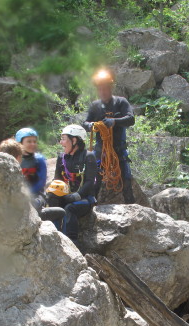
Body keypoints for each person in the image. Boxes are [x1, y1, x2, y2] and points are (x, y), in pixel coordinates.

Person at [83, 68, 136, 204]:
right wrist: (90, 125)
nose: (102, 92)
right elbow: (85, 123)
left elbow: (131, 119)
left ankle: (131, 207)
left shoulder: (121, 102)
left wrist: (115, 122)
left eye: (105, 88)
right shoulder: (95, 106)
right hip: (101, 150)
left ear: (110, 88)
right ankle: (89, 207)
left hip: (119, 150)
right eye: (100, 89)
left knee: (126, 180)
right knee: (94, 180)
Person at [46, 125, 97, 245]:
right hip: (67, 194)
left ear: (74, 140)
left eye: (64, 139)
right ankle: (53, 236)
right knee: (52, 202)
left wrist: (77, 195)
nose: (61, 142)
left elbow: (90, 182)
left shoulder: (88, 156)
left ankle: (71, 242)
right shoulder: (62, 157)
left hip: (84, 199)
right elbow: (57, 179)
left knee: (70, 209)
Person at [15, 127, 48, 211]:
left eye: (34, 141)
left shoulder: (39, 159)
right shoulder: (14, 159)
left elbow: (41, 182)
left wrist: (26, 194)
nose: (33, 144)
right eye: (29, 141)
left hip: (37, 195)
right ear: (20, 143)